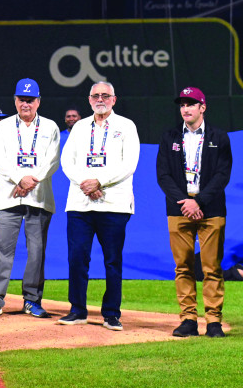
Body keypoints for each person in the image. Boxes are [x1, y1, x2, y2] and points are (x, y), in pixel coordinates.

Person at [58, 82, 139, 331]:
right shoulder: (80, 127)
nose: (100, 99)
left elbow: (130, 163)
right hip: (81, 204)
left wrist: (100, 181)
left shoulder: (126, 126)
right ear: (89, 100)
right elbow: (66, 161)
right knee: (77, 258)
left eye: (105, 95)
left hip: (114, 204)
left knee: (112, 260)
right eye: (96, 96)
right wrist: (85, 184)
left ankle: (111, 313)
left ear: (114, 99)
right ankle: (77, 310)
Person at [156, 86, 232, 338]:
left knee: (212, 268)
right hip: (179, 210)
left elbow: (222, 175)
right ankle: (188, 319)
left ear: (203, 107)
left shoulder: (219, 137)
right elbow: (163, 175)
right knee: (183, 267)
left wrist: (198, 202)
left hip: (210, 210)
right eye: (182, 104)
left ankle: (213, 322)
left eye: (191, 104)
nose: (185, 108)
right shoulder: (169, 137)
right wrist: (184, 201)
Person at [0, 79, 60, 320]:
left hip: (38, 197)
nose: (25, 104)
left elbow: (53, 160)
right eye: (21, 99)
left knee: (37, 251)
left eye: (30, 100)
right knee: (2, 250)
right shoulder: (4, 126)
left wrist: (30, 180)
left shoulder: (50, 127)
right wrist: (19, 178)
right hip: (9, 197)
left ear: (38, 101)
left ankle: (32, 301)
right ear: (15, 101)